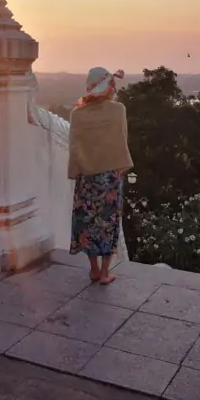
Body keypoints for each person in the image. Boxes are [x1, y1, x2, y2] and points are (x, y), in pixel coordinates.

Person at [67, 67, 134, 285]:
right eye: (112, 85)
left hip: (87, 178)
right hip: (110, 178)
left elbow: (75, 147)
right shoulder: (118, 110)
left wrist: (77, 170)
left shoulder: (77, 114)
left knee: (88, 223)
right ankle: (105, 272)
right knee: (108, 223)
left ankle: (94, 270)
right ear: (107, 87)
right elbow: (120, 140)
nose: (114, 89)